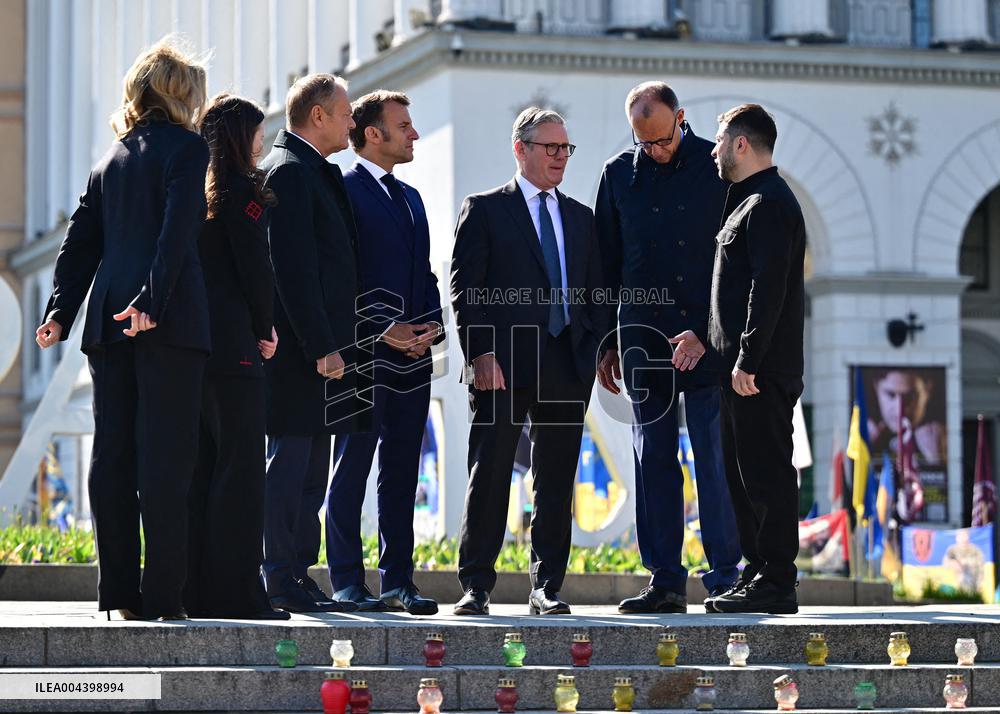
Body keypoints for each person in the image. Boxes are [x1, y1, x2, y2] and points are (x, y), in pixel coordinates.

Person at [35, 39, 210, 621]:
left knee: (112, 456)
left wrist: (60, 311)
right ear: (182, 94)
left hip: (107, 320)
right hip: (167, 320)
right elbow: (178, 232)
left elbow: (78, 242)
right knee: (167, 458)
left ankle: (117, 596)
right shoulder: (188, 149)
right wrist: (154, 300)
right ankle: (164, 597)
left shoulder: (108, 157)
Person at [450, 107, 605, 616]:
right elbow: (466, 290)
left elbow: (597, 292)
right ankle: (476, 585)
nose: (561, 157)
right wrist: (479, 353)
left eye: (566, 148)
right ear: (521, 149)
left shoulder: (582, 218)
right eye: (551, 148)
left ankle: (547, 588)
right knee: (491, 474)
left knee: (556, 483)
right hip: (503, 364)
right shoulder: (486, 209)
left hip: (566, 364)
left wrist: (594, 348)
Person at [595, 81, 741, 614]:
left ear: (681, 118)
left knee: (713, 457)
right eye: (643, 142)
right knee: (651, 457)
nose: (653, 151)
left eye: (661, 139)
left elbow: (736, 264)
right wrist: (605, 343)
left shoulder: (718, 167)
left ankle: (727, 574)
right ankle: (664, 580)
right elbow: (606, 265)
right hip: (641, 339)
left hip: (707, 341)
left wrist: (708, 331)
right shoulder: (616, 174)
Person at [325, 90, 443, 614]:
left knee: (402, 471)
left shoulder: (413, 198)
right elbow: (339, 278)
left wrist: (431, 326)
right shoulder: (341, 190)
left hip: (412, 362)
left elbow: (426, 274)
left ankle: (399, 580)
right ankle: (347, 580)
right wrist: (383, 328)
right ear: (374, 133)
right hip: (359, 358)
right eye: (405, 125)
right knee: (351, 467)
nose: (414, 133)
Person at [259, 73, 368, 614]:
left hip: (323, 356)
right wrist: (323, 345)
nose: (354, 122)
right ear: (318, 116)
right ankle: (277, 576)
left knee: (309, 475)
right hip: (303, 357)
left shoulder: (313, 169)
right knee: (290, 470)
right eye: (346, 113)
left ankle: (297, 572)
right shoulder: (290, 170)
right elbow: (293, 271)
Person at [183, 93, 287, 620]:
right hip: (236, 348)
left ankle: (197, 589)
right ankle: (244, 594)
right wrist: (264, 326)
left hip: (197, 346)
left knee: (204, 469)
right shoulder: (244, 192)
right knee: (244, 472)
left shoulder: (197, 193)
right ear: (238, 138)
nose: (262, 143)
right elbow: (255, 268)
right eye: (256, 133)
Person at [705, 103, 806, 615]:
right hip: (740, 371)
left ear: (742, 143)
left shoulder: (768, 203)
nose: (715, 150)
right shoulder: (746, 201)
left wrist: (747, 359)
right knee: (743, 476)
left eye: (721, 140)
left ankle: (776, 580)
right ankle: (758, 573)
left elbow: (767, 291)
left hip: (758, 372)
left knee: (765, 474)